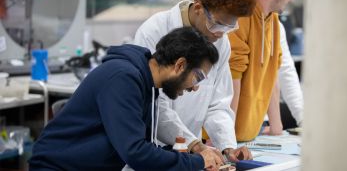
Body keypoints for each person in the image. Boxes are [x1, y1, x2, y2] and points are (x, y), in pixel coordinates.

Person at [29, 27, 223, 171]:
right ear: (180, 65)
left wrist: (190, 154)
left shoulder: (146, 82)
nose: (195, 87)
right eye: (197, 77)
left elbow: (140, 148)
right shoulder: (123, 78)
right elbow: (136, 152)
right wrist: (198, 161)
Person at [133, 0, 256, 162]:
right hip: (154, 148)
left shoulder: (221, 43)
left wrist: (227, 147)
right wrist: (194, 145)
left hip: (192, 152)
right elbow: (155, 103)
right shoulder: (155, 30)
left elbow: (218, 104)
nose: (220, 34)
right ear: (198, 8)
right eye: (218, 25)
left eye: (229, 28)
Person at [229, 0, 304, 141]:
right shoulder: (240, 19)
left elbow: (273, 74)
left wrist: (276, 126)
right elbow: (232, 83)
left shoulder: (274, 23)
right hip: (225, 138)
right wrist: (225, 138)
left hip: (249, 136)